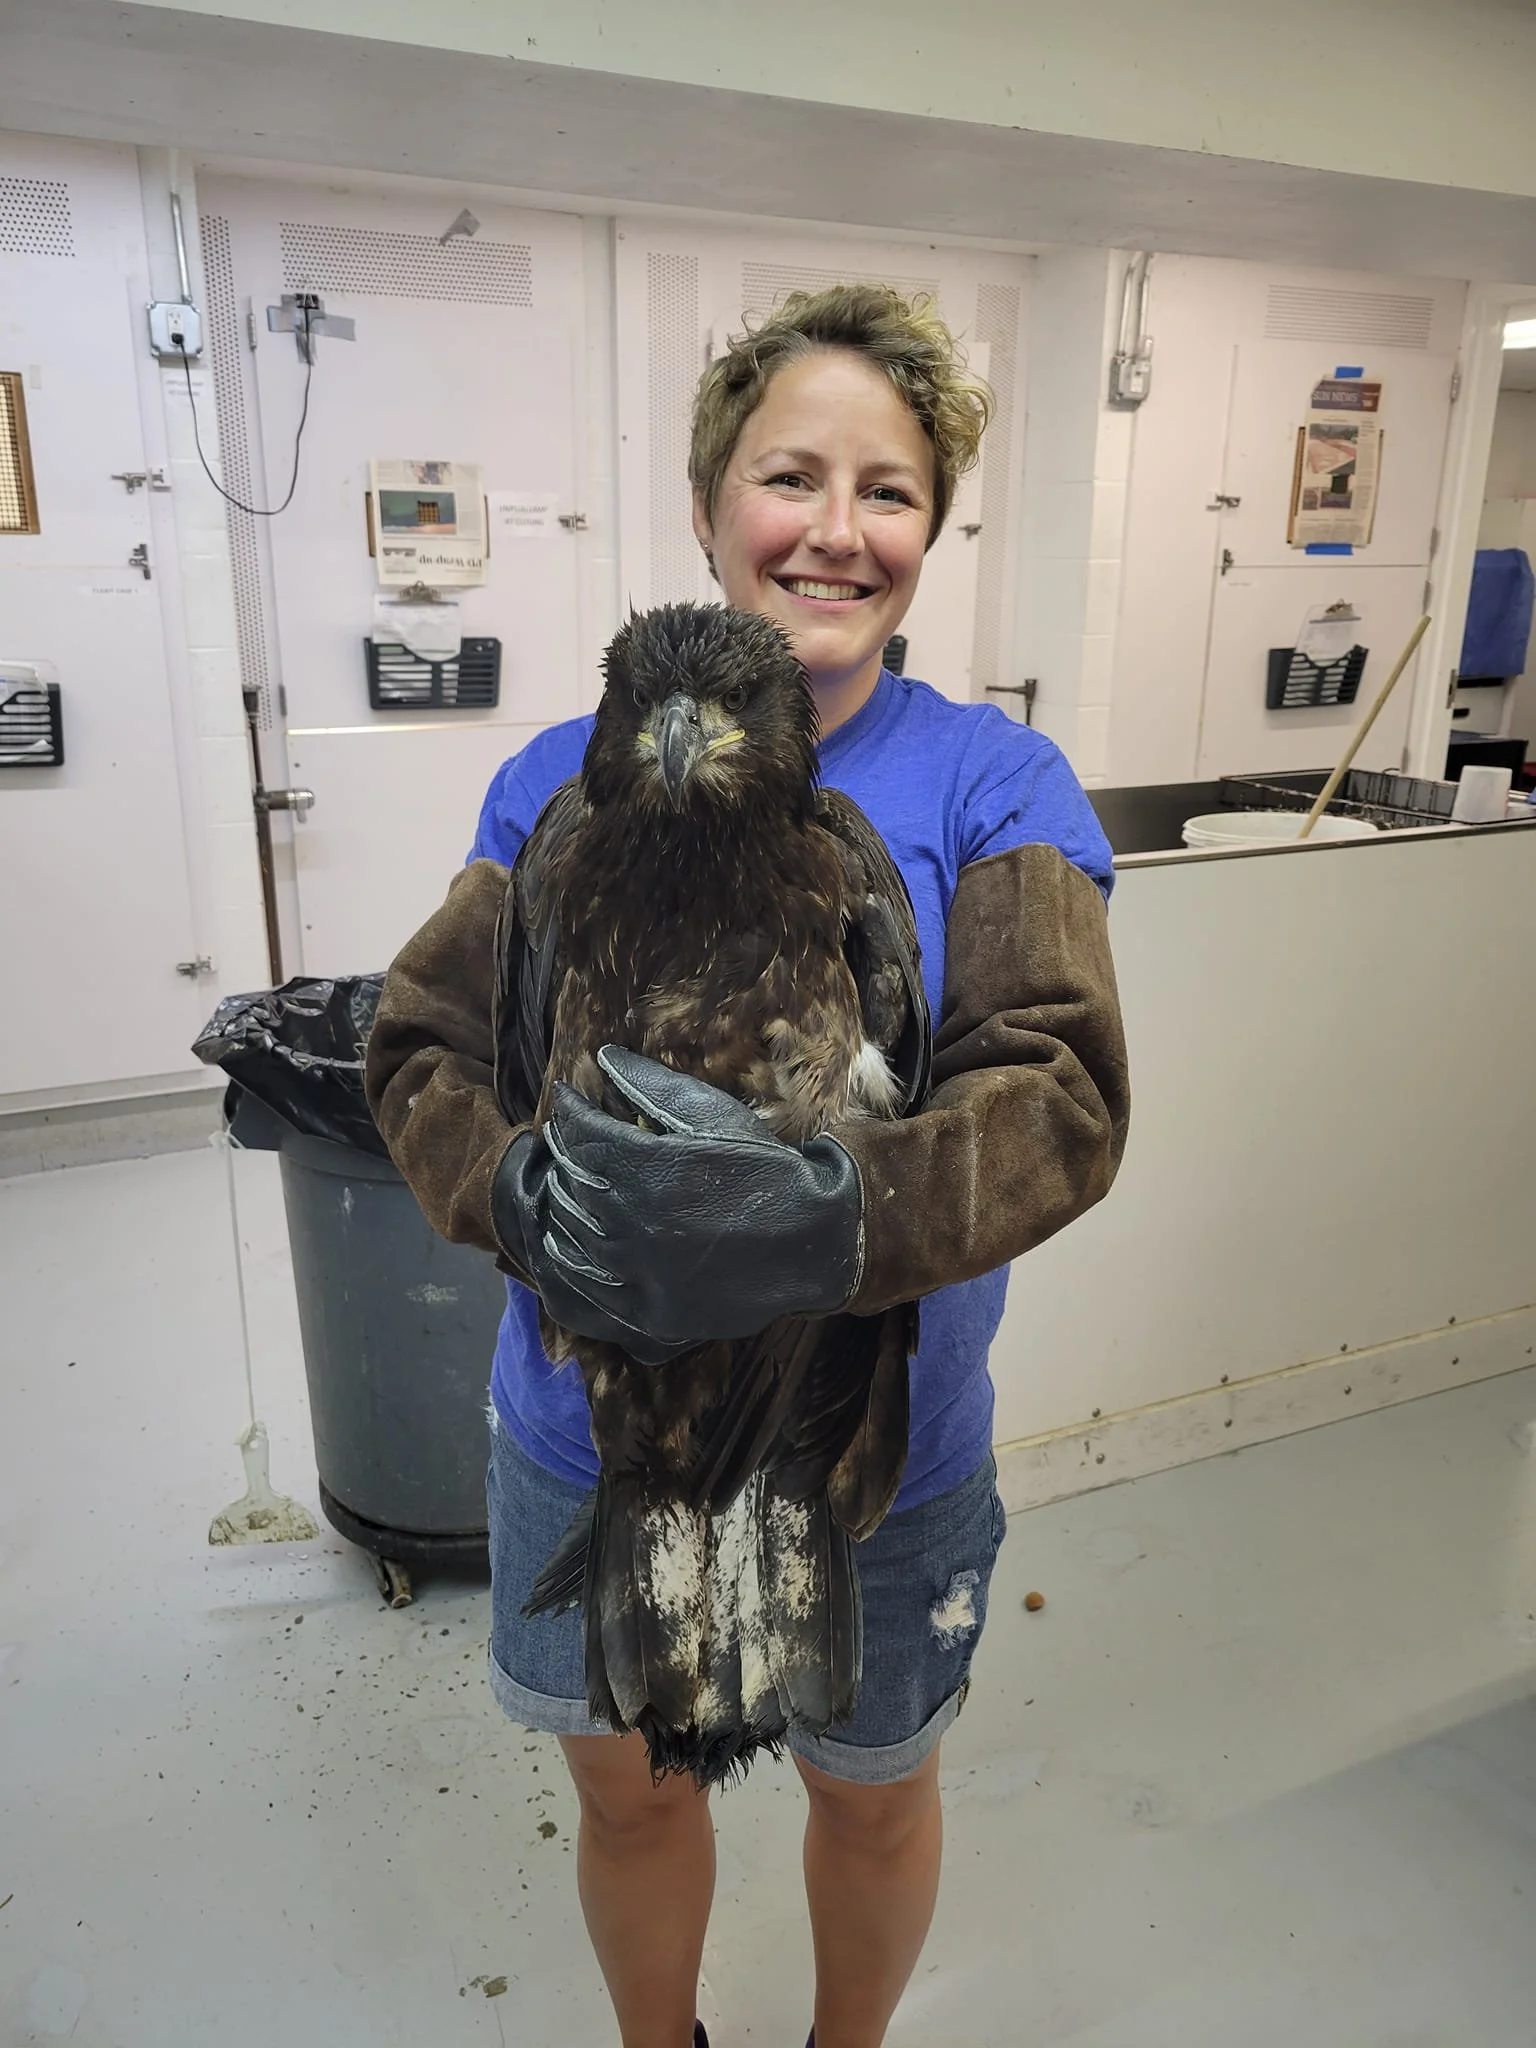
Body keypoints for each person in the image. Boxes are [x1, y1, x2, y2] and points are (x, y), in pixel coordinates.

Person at [365, 284, 1130, 2048]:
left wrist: (840, 1213)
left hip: (866, 1428)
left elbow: (1064, 1096)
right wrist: (515, 1194)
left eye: (893, 491)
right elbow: (423, 1050)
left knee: (869, 1789)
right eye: (795, 476)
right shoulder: (558, 796)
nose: (838, 532)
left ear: (932, 529)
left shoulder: (993, 784)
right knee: (636, 1787)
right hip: (588, 1422)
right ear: (712, 505)